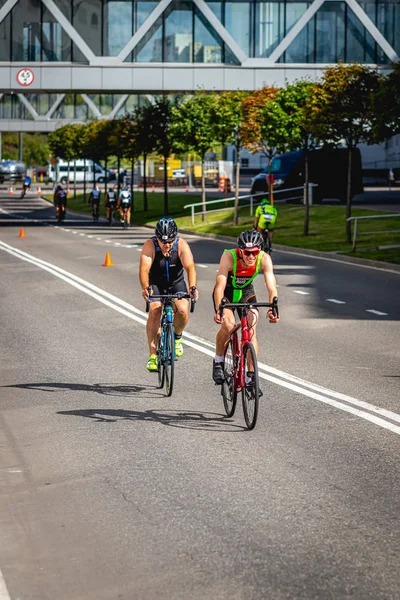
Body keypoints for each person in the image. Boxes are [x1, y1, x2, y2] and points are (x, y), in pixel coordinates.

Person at [212, 229, 279, 385]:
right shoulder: (229, 256)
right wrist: (218, 309)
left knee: (252, 324)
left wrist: (272, 308)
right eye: (247, 253)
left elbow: (271, 287)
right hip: (227, 293)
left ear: (259, 250)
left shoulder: (264, 259)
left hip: (246, 292)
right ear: (240, 250)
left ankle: (250, 376)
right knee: (228, 325)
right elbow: (220, 286)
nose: (251, 256)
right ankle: (218, 361)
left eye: (254, 252)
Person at [140, 218, 198, 372]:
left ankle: (177, 338)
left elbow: (190, 267)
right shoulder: (150, 245)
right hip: (156, 283)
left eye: (170, 241)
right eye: (163, 241)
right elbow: (144, 269)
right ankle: (153, 356)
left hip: (175, 283)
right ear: (157, 238)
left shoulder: (181, 245)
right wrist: (145, 287)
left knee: (183, 309)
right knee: (155, 311)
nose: (167, 245)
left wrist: (192, 287)